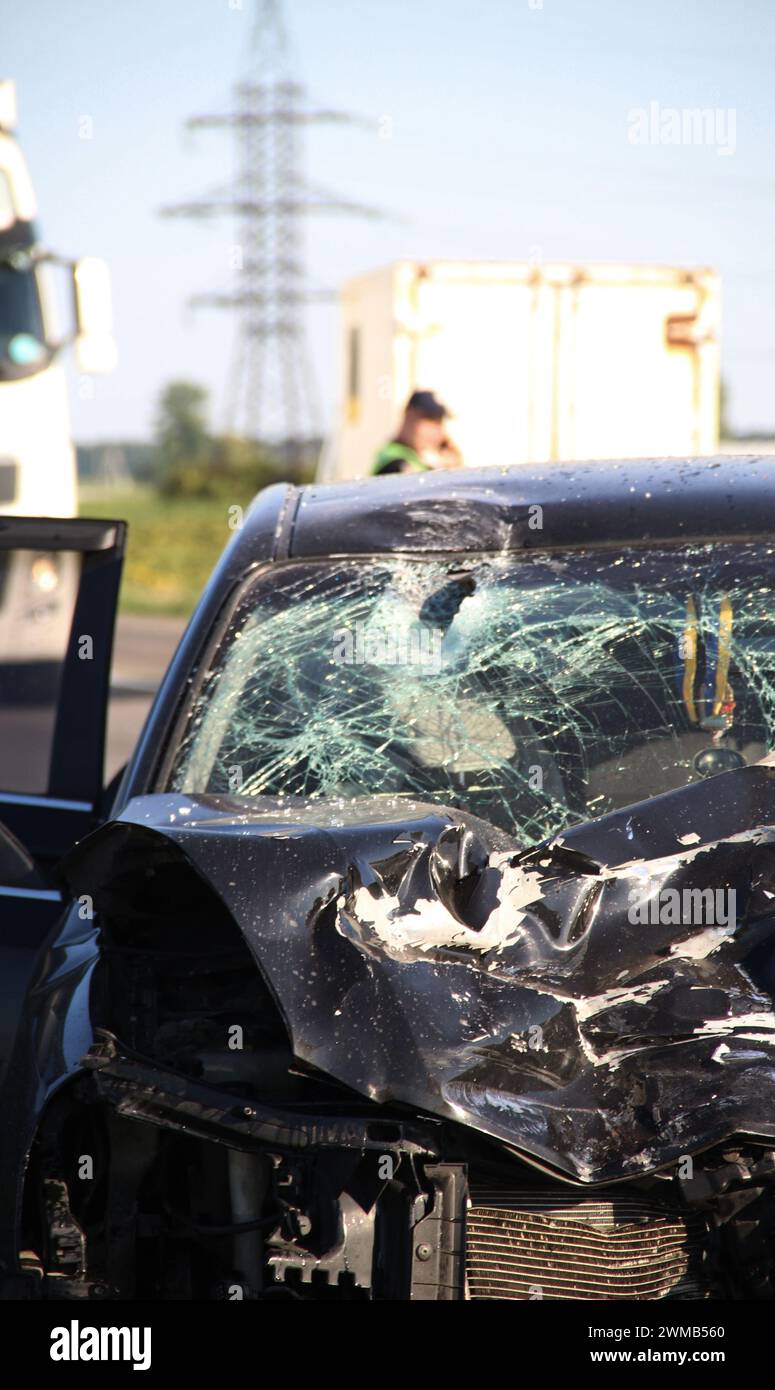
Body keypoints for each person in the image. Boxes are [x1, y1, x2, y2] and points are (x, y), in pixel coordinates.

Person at [371, 390, 461, 476]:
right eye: (431, 421)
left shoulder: (416, 459)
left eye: (440, 424)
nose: (438, 432)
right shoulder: (396, 464)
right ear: (409, 416)